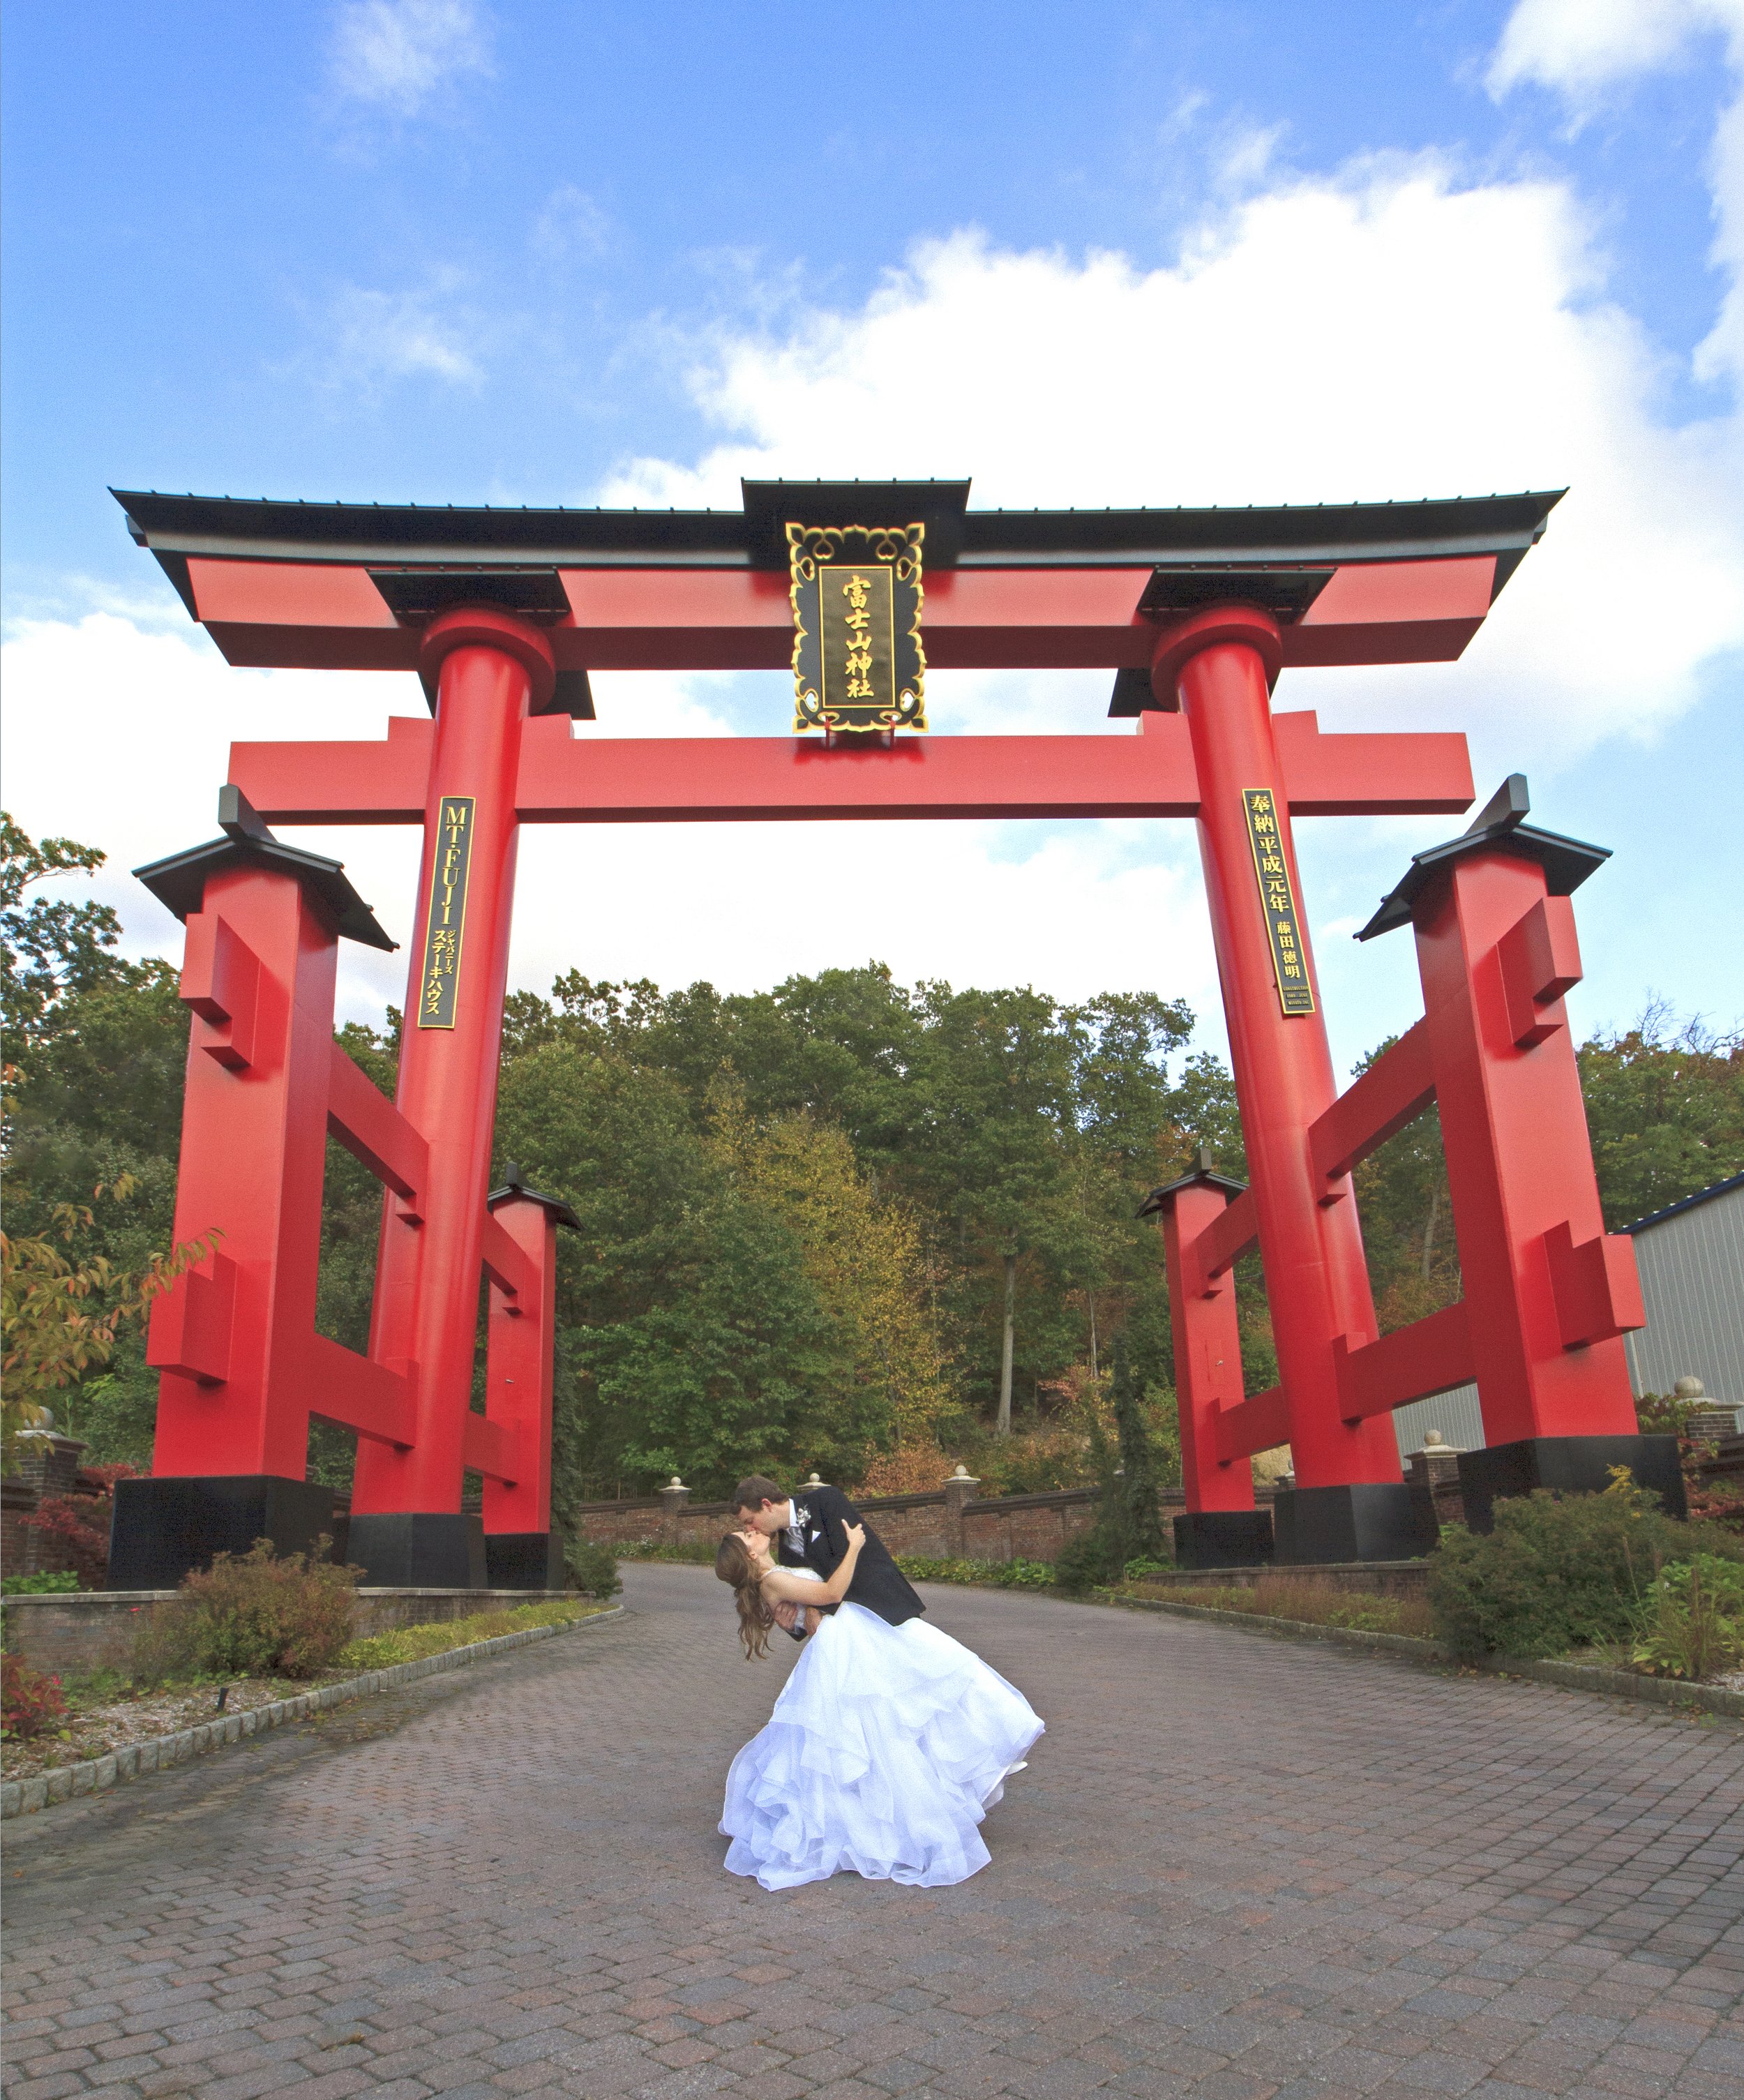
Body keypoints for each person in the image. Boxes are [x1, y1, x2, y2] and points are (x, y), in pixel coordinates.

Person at [713, 1477, 1044, 1891]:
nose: (753, 1531)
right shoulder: (783, 1552)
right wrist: (800, 1618)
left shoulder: (825, 1501)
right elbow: (812, 1597)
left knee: (931, 1689)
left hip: (880, 1616)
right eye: (747, 1531)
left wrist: (818, 1602)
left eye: (750, 1522)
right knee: (879, 1724)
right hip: (849, 1638)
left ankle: (945, 1780)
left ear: (765, 1504)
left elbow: (847, 1576)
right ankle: (889, 1816)